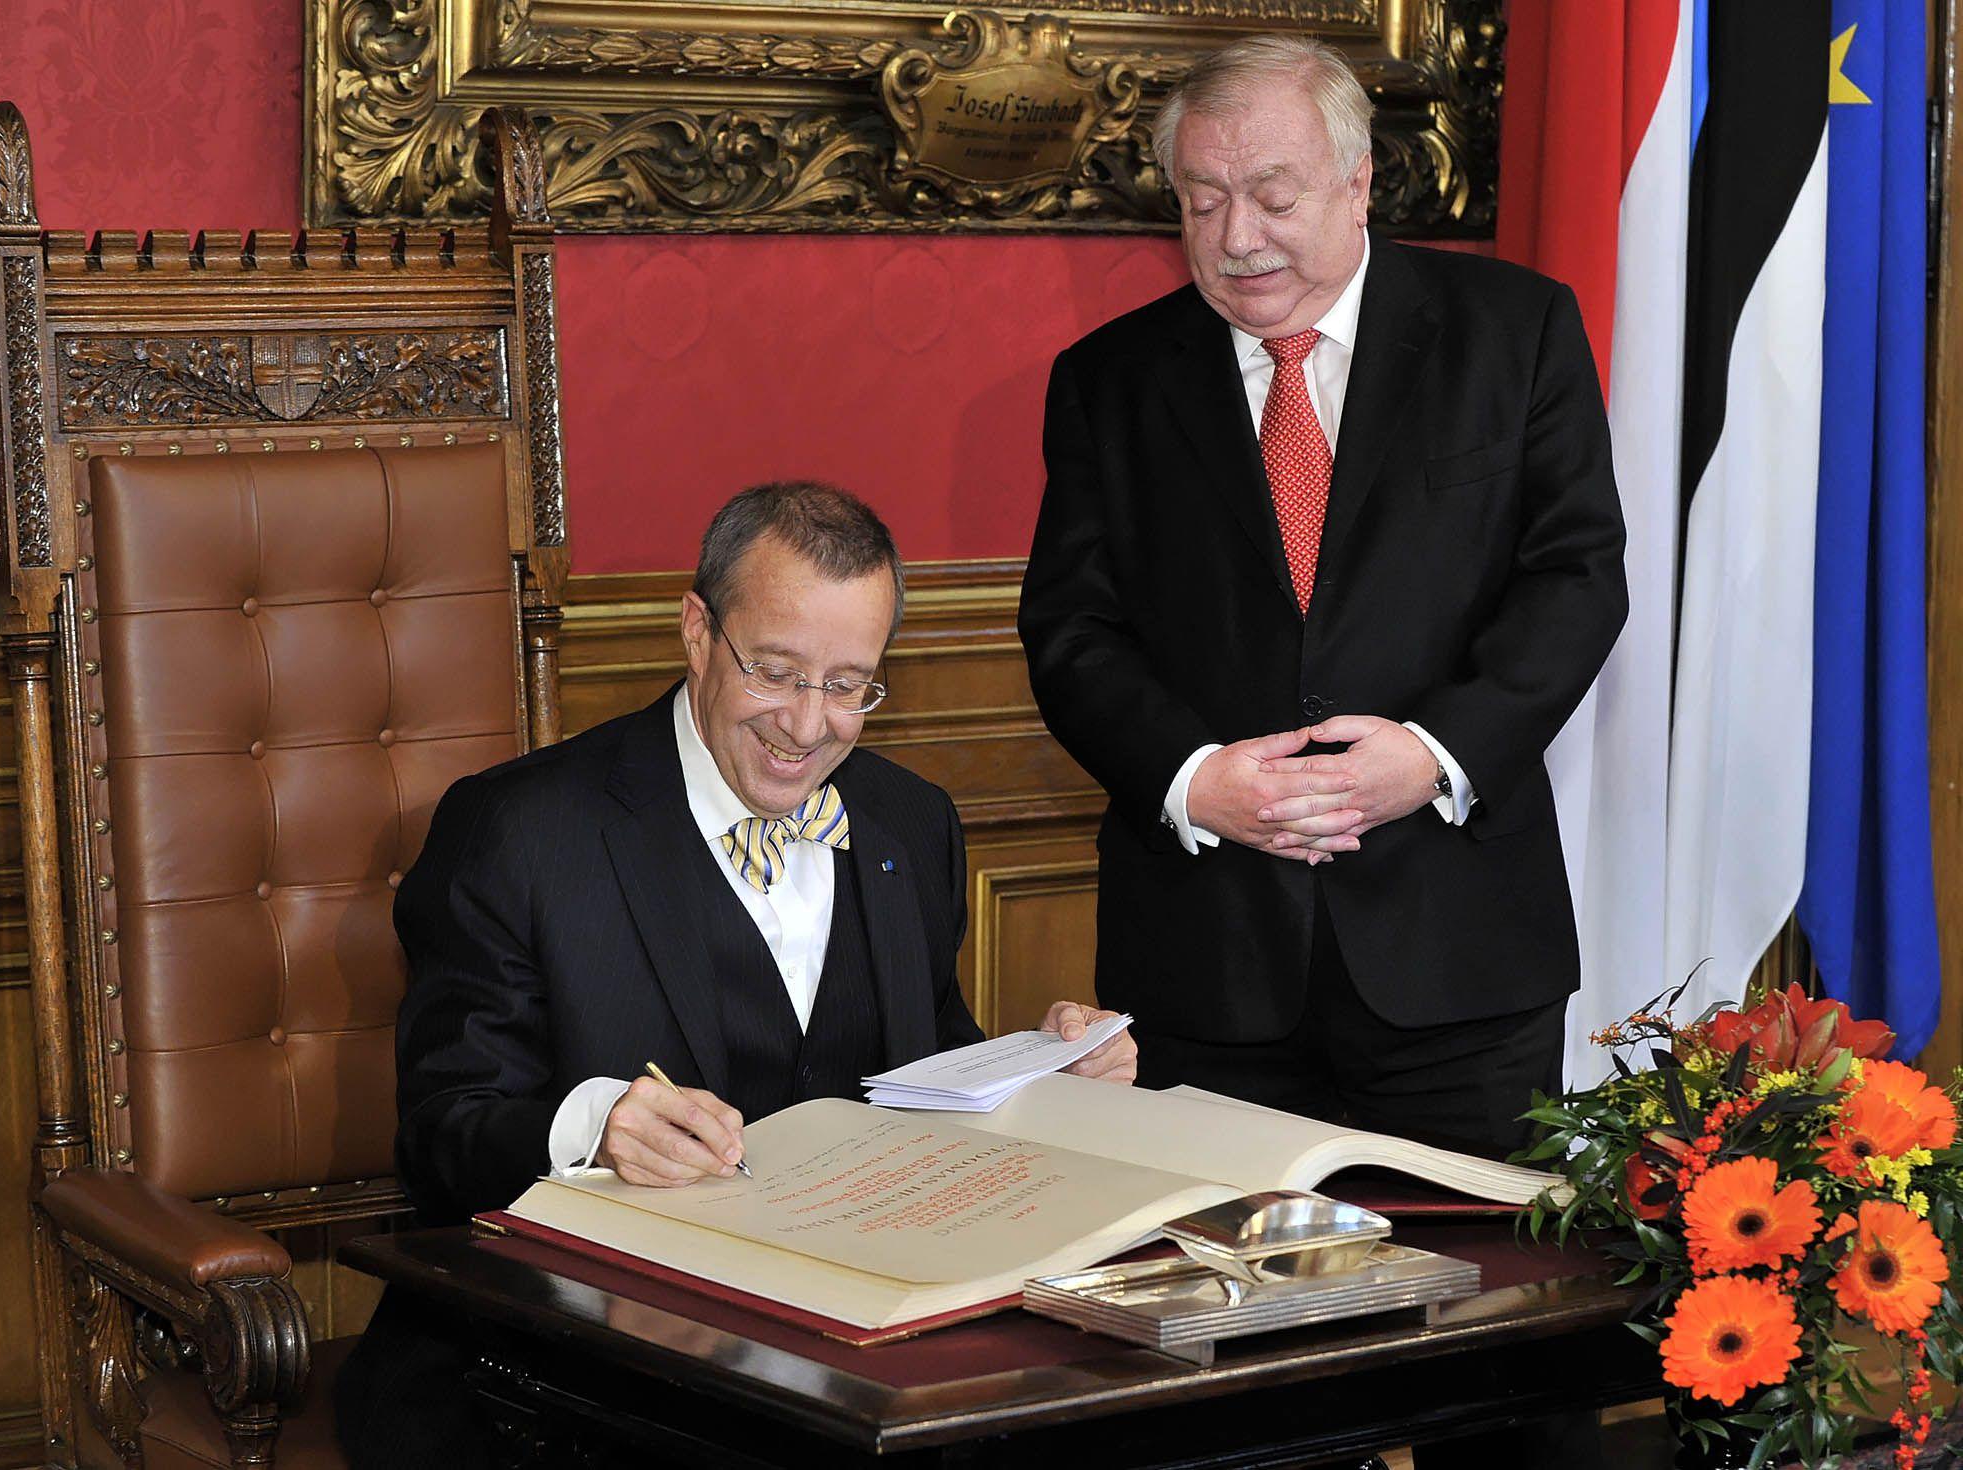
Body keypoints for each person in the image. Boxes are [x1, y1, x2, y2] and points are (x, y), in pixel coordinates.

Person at [1016, 34, 1626, 1469]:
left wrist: (1433, 752)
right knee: (1236, 1392)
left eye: (1273, 193)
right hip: (1210, 971)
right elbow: (1074, 633)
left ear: (1360, 181)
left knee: (1505, 1365)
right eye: (1202, 199)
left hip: (1456, 961)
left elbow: (1575, 577)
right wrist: (1193, 780)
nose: (1237, 237)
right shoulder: (1108, 379)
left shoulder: (1515, 329)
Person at [338, 482, 1135, 1467]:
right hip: (557, 1370)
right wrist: (594, 1127)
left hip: (843, 1368)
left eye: (849, 684)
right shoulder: (517, 833)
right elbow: (441, 1140)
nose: (806, 726)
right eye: (775, 671)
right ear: (696, 632)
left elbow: (925, 1074)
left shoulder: (906, 821)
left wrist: (1037, 1075)